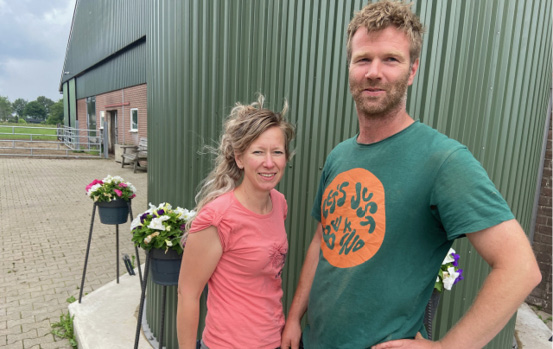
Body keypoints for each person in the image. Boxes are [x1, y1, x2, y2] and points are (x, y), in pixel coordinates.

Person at [281, 1, 542, 348]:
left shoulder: (443, 160)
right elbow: (321, 241)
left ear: (413, 70)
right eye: (363, 59)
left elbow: (520, 268)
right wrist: (295, 319)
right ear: (350, 68)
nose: (374, 72)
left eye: (390, 59)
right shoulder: (339, 156)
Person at [177, 94, 295, 349]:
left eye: (277, 152)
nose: (269, 162)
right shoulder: (218, 217)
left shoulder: (279, 204)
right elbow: (188, 294)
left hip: (273, 341)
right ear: (239, 158)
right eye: (258, 152)